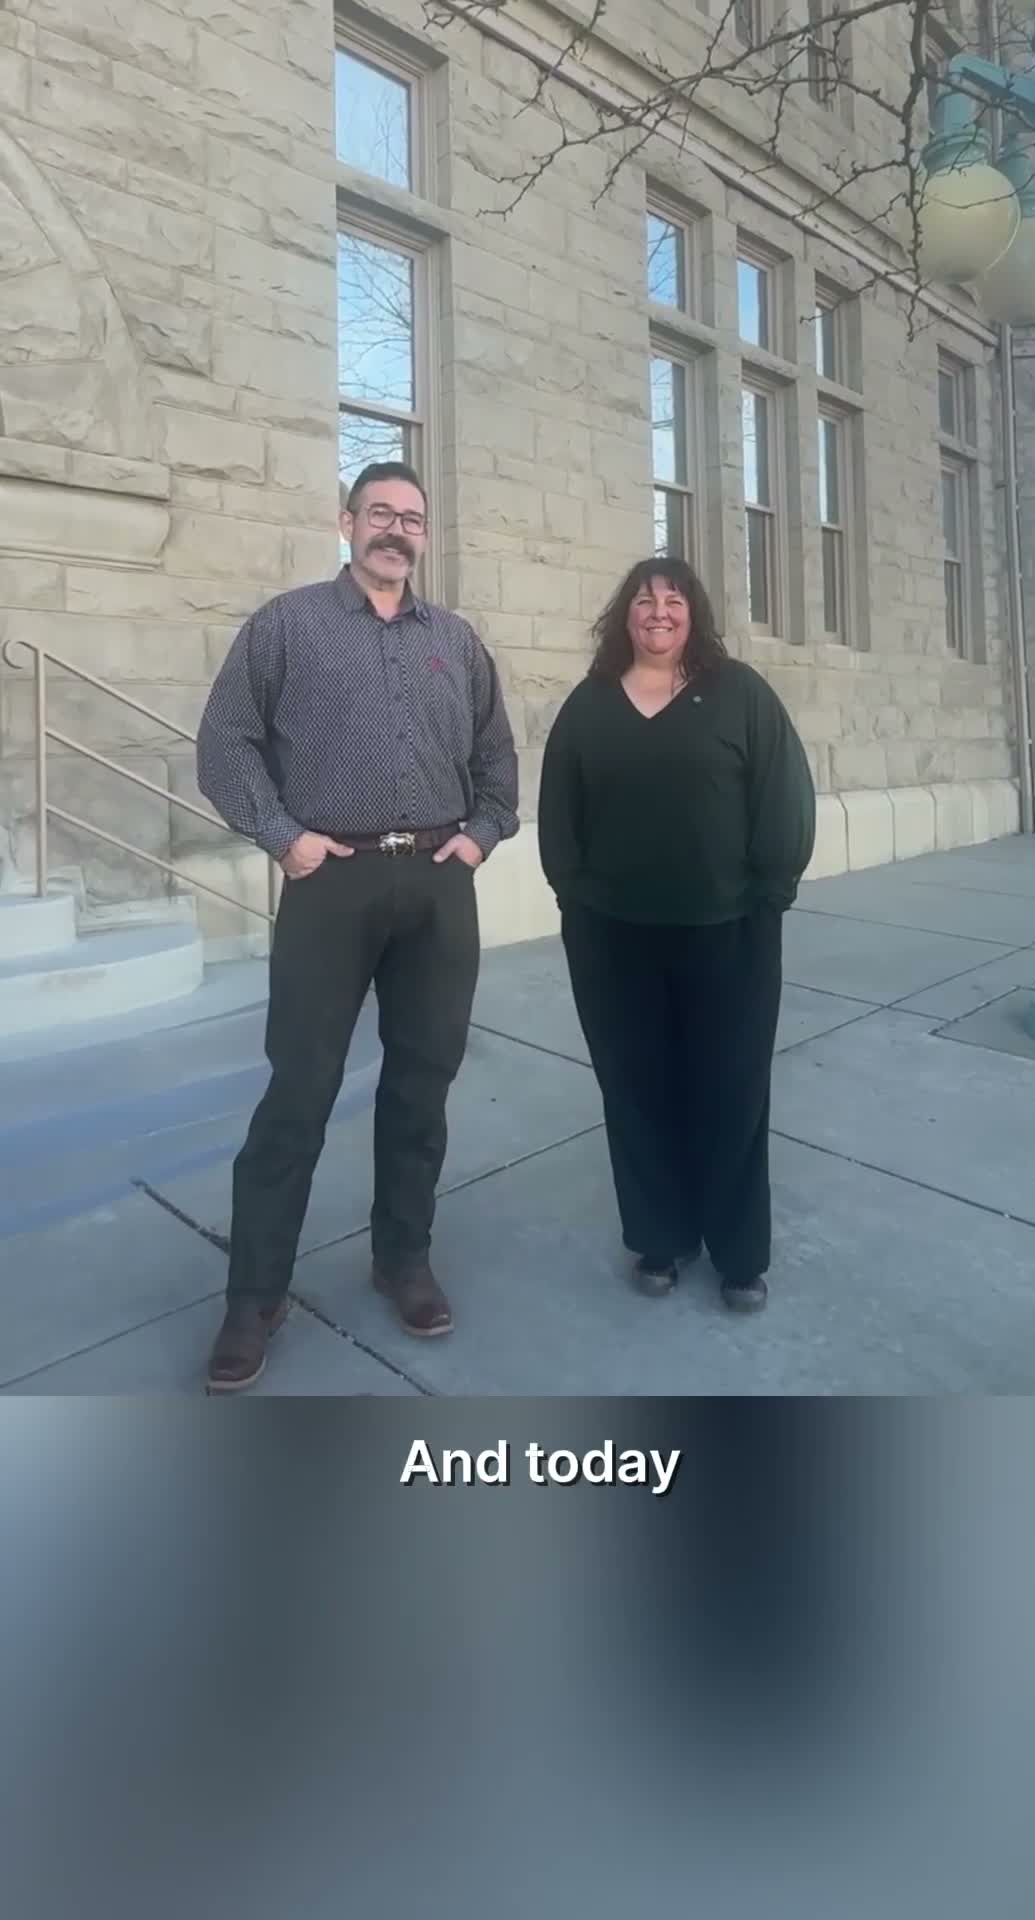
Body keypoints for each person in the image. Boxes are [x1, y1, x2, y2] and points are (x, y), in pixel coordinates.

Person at [196, 461, 519, 1391]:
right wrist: (284, 838)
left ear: (424, 535)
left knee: (422, 1084)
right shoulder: (287, 626)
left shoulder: (455, 641)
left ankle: (402, 1259)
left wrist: (483, 836)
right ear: (346, 523)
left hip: (435, 883)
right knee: (298, 1093)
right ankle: (254, 1297)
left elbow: (497, 756)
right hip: (328, 880)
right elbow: (225, 742)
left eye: (411, 517)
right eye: (379, 512)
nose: (395, 529)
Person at [537, 557, 814, 1312]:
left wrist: (770, 891)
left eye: (673, 599)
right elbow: (560, 812)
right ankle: (658, 1237)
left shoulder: (740, 696)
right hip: (613, 938)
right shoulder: (590, 706)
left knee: (730, 1091)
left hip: (728, 934)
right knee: (636, 1090)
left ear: (695, 613)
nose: (658, 610)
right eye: (643, 599)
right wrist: (575, 896)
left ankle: (738, 1253)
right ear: (622, 615)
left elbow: (784, 796)